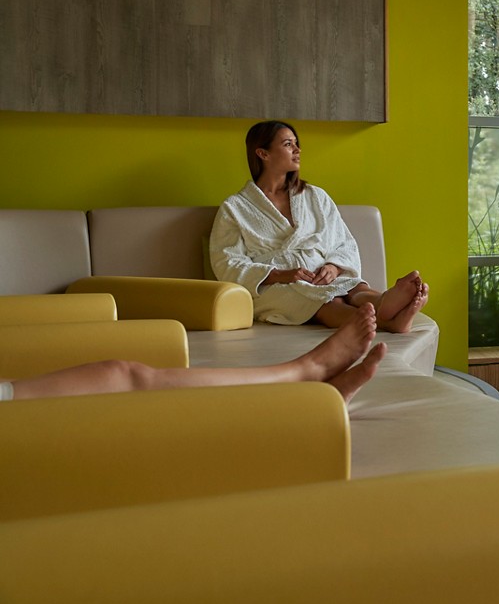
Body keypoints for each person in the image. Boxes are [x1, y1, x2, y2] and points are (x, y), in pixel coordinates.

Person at [210, 120, 429, 333]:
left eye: (297, 143)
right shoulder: (235, 208)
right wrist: (280, 275)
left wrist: (334, 267)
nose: (297, 150)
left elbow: (343, 241)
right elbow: (226, 263)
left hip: (320, 271)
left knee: (353, 287)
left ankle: (384, 301)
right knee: (323, 302)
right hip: (274, 286)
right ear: (263, 154)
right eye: (288, 144)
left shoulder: (314, 196)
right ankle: (389, 323)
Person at [0, 303, 386, 403]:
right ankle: (306, 376)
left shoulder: (312, 200)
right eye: (287, 144)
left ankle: (307, 381)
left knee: (121, 374)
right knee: (124, 383)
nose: (296, 150)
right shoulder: (240, 206)